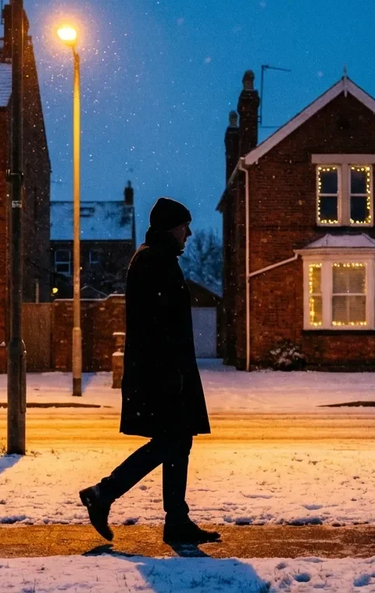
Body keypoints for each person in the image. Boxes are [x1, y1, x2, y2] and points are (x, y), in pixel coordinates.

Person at [79, 197, 220, 545]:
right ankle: (103, 493)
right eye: (184, 225)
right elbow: (157, 325)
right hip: (163, 373)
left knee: (178, 440)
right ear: (170, 226)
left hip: (167, 371)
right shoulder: (153, 260)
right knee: (171, 441)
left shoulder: (158, 258)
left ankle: (176, 520)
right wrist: (171, 373)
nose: (188, 232)